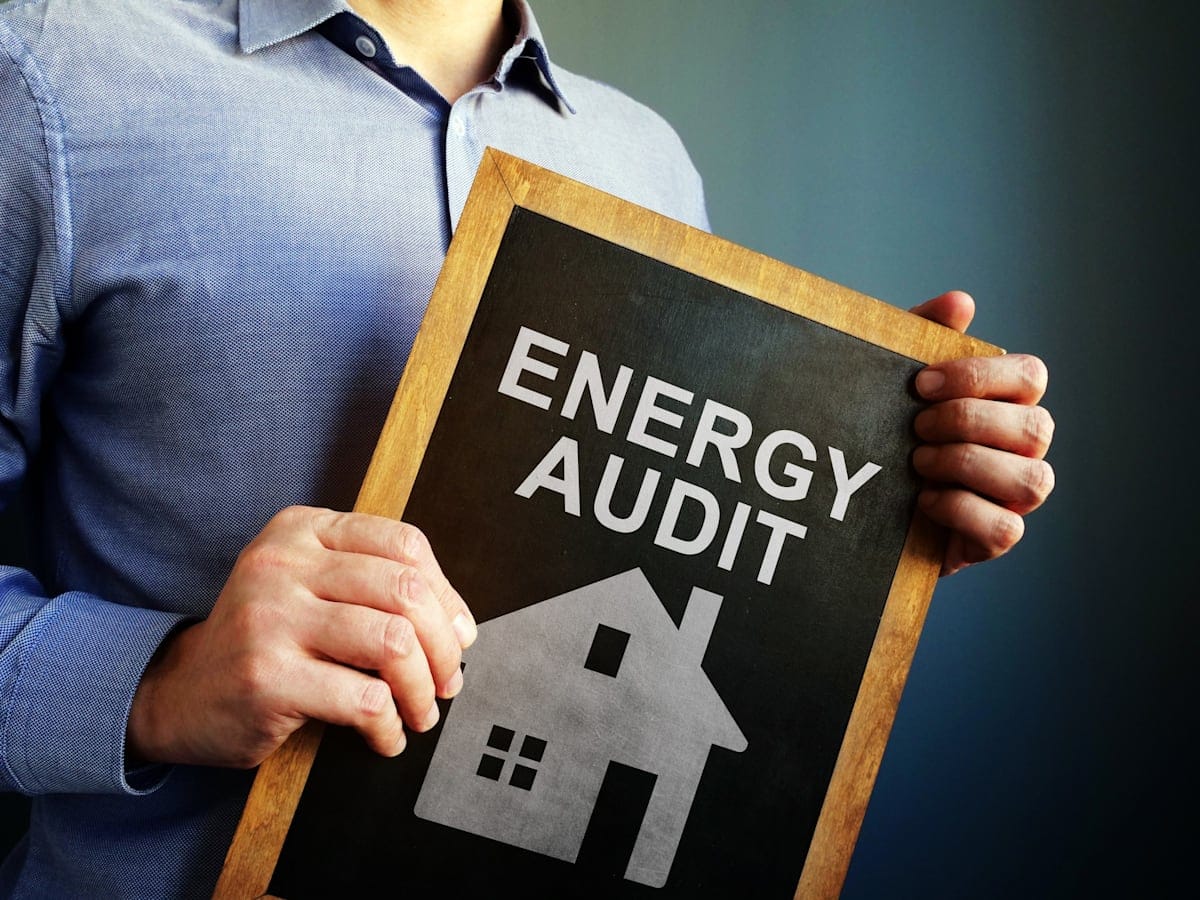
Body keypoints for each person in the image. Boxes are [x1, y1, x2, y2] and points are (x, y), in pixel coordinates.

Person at [0, 0, 1054, 896]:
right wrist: (158, 685)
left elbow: (670, 578)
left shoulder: (646, 163)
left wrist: (863, 519)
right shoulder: (53, 81)